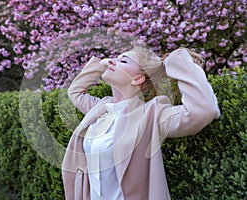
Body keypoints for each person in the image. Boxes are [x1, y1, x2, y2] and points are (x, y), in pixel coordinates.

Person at [62, 46, 220, 200]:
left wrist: (177, 61)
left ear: (137, 79)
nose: (112, 62)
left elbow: (203, 111)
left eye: (123, 61)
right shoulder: (102, 109)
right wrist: (99, 65)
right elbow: (75, 92)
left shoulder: (151, 114)